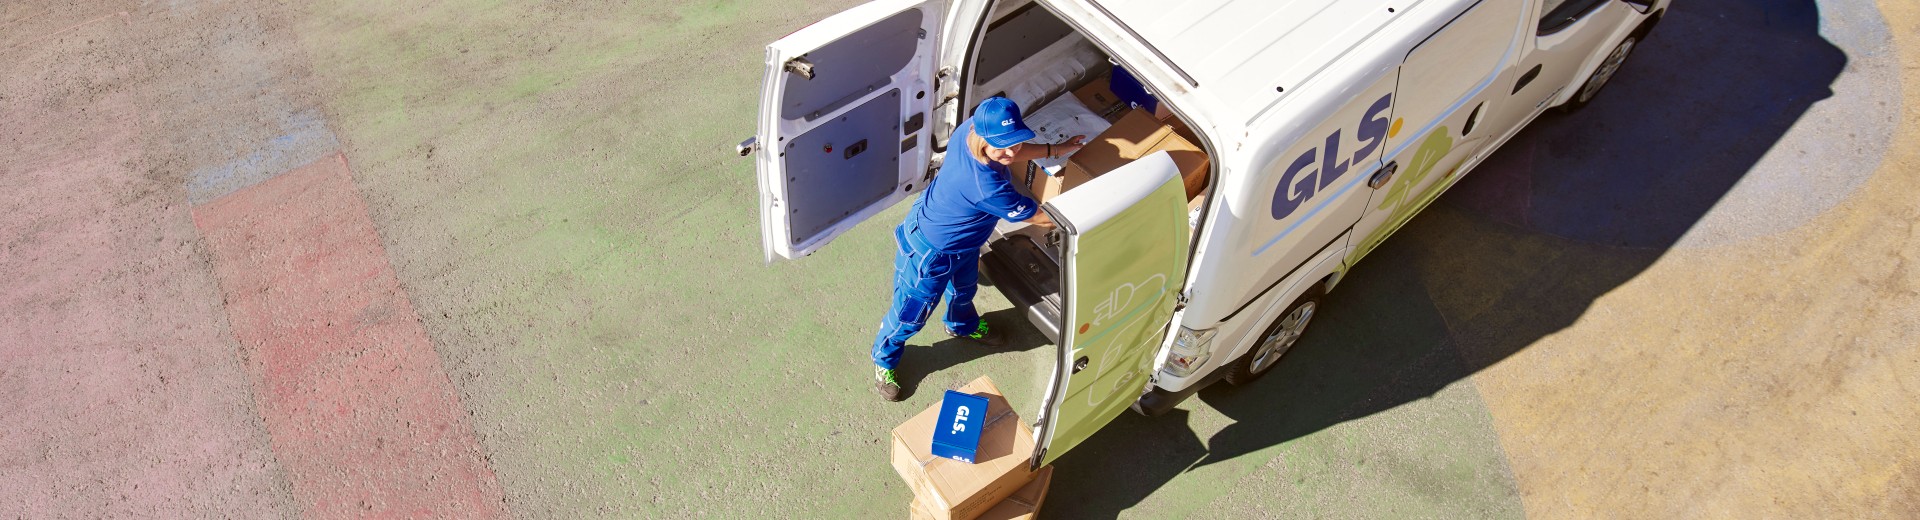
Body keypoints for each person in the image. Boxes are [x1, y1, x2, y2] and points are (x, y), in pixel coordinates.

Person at [871, 96, 1085, 401]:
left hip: (965, 243)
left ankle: (962, 325)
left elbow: (1013, 149)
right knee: (910, 314)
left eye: (1015, 142)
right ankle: (883, 359)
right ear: (984, 139)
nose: (1011, 152)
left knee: (964, 290)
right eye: (1002, 147)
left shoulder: (970, 129)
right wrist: (1084, 217)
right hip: (930, 253)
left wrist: (1056, 150)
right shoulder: (985, 185)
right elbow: (1040, 217)